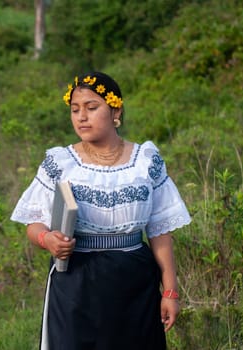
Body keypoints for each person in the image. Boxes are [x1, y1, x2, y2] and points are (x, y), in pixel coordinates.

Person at [10, 71, 191, 349]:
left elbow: (159, 231)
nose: (82, 117)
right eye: (75, 110)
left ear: (115, 110)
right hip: (76, 280)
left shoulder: (145, 160)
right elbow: (33, 224)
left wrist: (170, 291)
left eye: (92, 108)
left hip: (134, 281)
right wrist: (48, 240)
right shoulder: (60, 163)